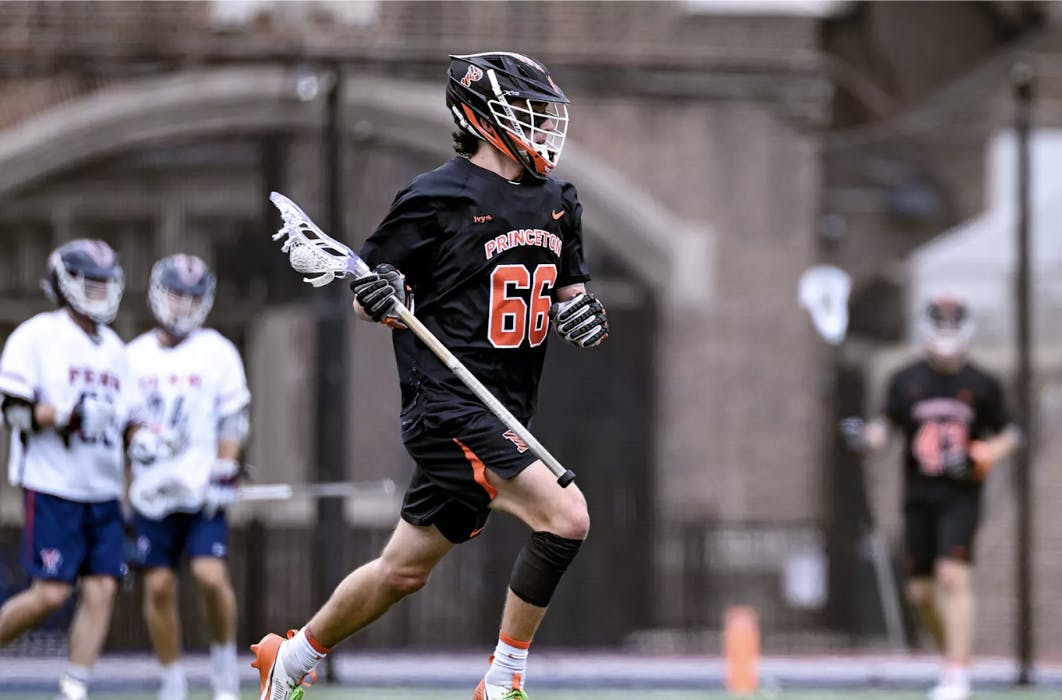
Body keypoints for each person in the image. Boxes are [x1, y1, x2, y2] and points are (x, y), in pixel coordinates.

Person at [250, 51, 608, 700]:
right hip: (448, 408)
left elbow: (568, 291)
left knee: (401, 572)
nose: (542, 127)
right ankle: (503, 683)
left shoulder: (559, 201)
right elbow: (372, 291)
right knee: (567, 517)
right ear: (482, 115)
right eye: (529, 113)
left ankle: (291, 657)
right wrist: (382, 299)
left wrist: (581, 313)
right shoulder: (436, 197)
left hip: (503, 409)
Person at [0, 239, 174, 700]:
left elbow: (130, 417)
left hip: (102, 489)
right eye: (89, 284)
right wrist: (66, 415)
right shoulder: (37, 335)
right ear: (65, 284)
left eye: (105, 284)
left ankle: (75, 686)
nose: (99, 293)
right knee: (51, 594)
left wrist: (144, 441)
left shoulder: (115, 348)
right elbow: (12, 410)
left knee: (102, 589)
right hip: (54, 484)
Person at [841, 293, 1020, 700]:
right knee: (920, 594)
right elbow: (883, 429)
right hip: (918, 494)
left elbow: (1011, 433)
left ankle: (957, 672)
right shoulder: (905, 381)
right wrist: (863, 437)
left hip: (960, 493)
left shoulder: (982, 384)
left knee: (952, 575)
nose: (946, 339)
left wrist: (984, 454)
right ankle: (951, 657)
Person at [126, 254, 251, 700]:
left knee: (210, 576)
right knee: (158, 585)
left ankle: (223, 671)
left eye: (192, 298)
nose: (182, 306)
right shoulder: (133, 356)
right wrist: (138, 439)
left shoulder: (218, 351)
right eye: (176, 295)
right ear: (160, 295)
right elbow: (127, 421)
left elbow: (233, 419)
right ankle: (172, 678)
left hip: (201, 493)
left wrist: (224, 466)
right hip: (153, 493)